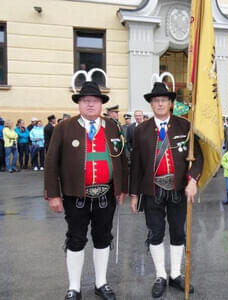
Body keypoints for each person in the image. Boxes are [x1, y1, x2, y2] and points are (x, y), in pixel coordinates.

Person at [44, 81, 128, 300]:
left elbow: (121, 160)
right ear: (79, 103)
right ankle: (74, 288)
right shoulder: (64, 127)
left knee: (103, 238)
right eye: (86, 101)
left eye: (95, 101)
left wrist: (121, 188)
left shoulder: (112, 126)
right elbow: (51, 162)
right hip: (75, 195)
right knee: (76, 239)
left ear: (101, 104)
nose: (90, 104)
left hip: (106, 195)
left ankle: (101, 283)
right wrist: (53, 194)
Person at [129, 82, 203, 298]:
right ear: (151, 104)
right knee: (156, 232)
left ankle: (176, 274)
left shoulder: (185, 126)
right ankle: (161, 275)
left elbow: (198, 157)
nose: (159, 104)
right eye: (155, 101)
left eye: (163, 100)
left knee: (178, 232)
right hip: (152, 190)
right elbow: (136, 166)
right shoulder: (141, 130)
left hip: (179, 189)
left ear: (170, 103)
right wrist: (134, 194)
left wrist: (193, 181)